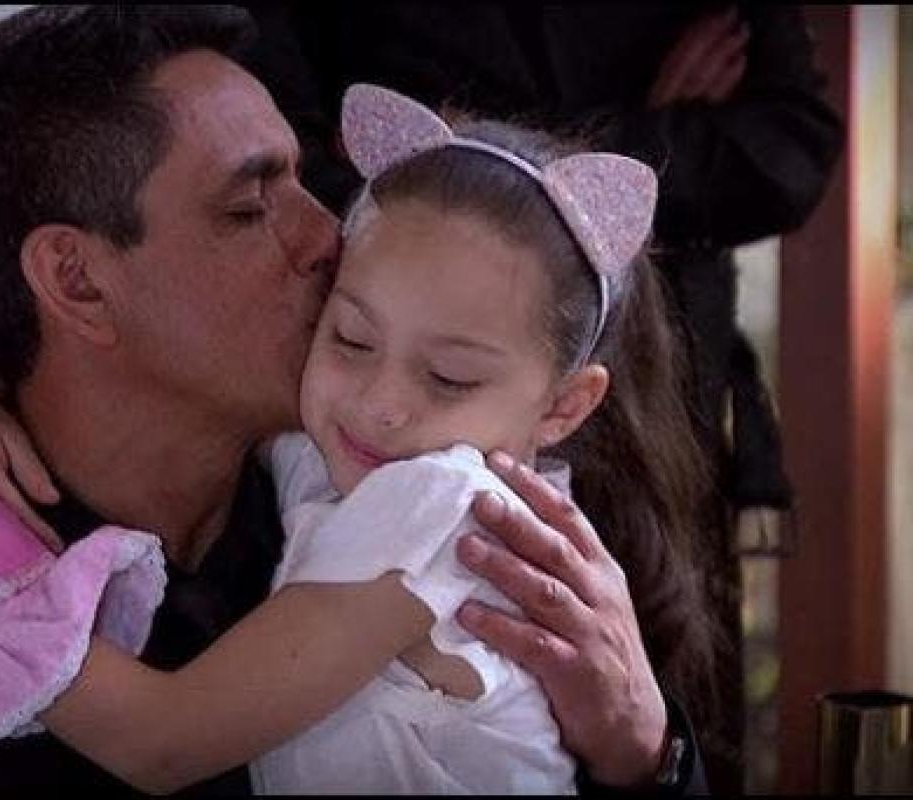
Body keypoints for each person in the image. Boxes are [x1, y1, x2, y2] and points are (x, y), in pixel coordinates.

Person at [0, 6, 704, 794]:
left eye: (305, 181)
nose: (326, 237)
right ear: (76, 282)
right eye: (247, 206)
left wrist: (646, 755)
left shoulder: (426, 499)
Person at [235, 4, 844, 788]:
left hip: (652, 411)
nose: (384, 400)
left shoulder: (450, 493)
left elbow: (786, 149)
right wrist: (606, 151)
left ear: (566, 404)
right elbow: (284, 148)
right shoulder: (306, 440)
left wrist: (529, 191)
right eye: (352, 341)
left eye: (448, 376)